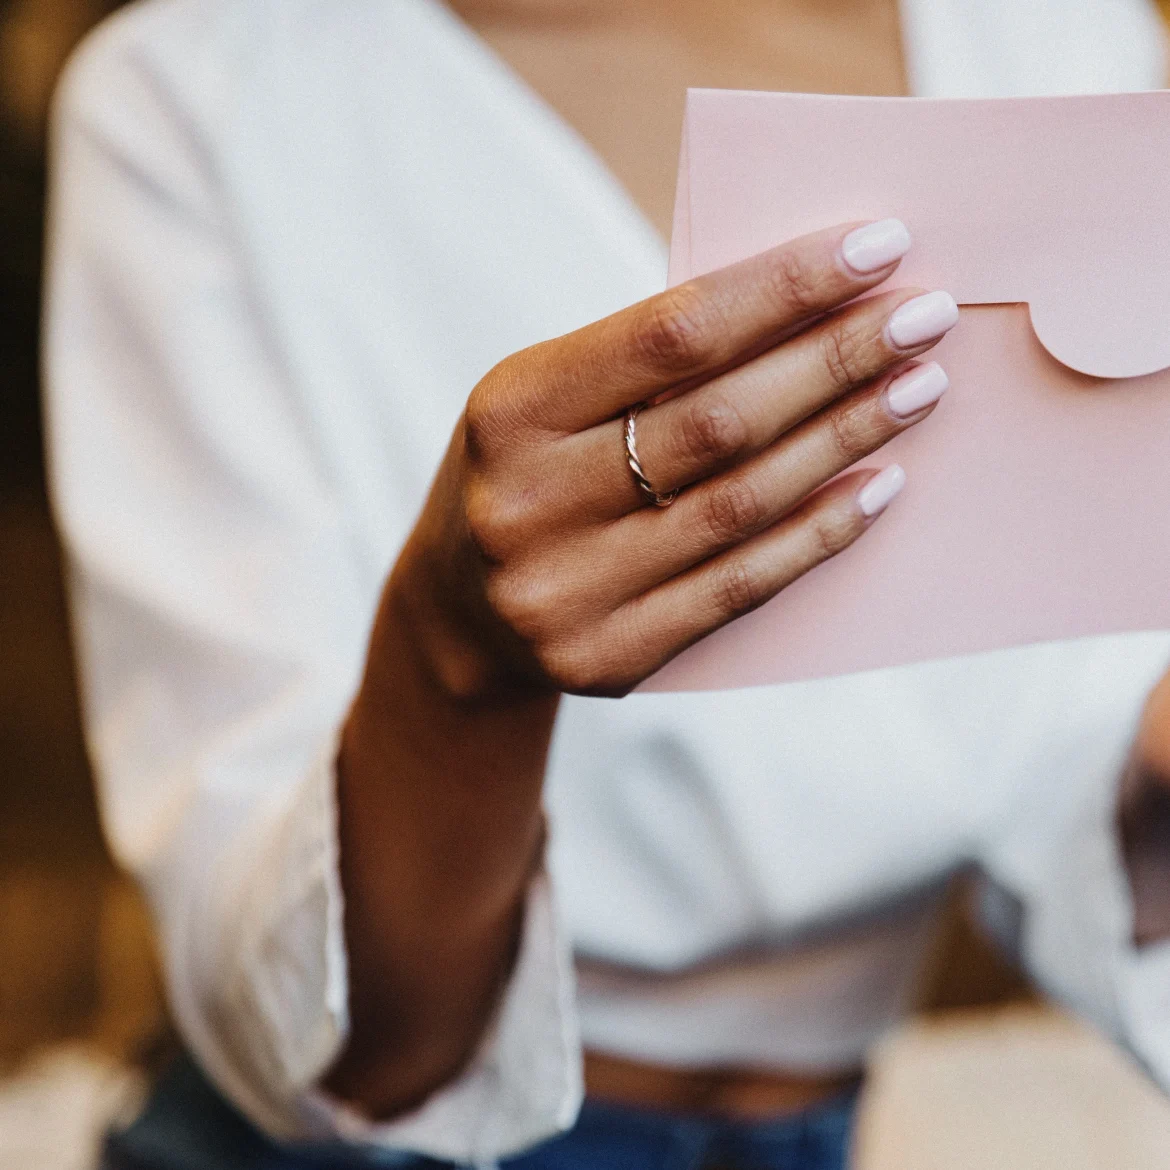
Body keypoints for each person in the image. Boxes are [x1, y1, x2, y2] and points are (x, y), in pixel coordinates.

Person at [42, 1, 1170, 1167]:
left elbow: (1075, 744)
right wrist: (451, 653)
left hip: (828, 1127)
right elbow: (325, 1039)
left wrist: (1150, 763)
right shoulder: (195, 95)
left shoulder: (1058, 38)